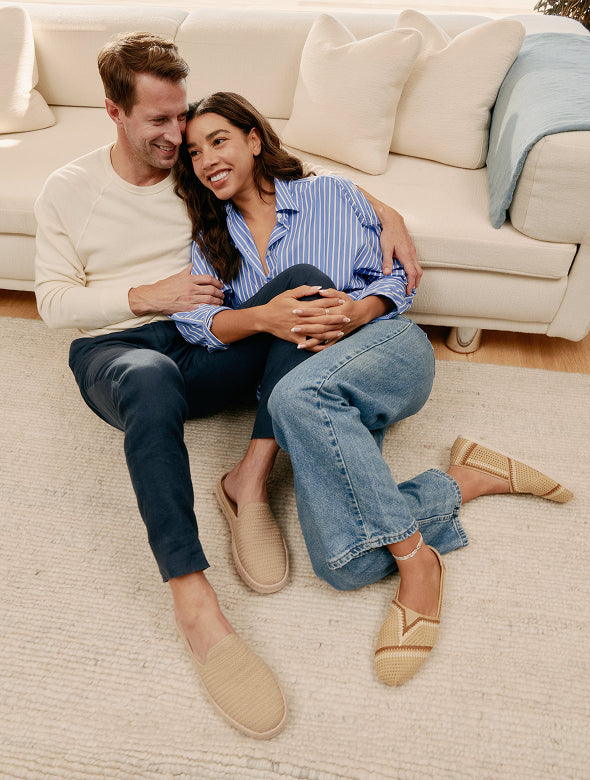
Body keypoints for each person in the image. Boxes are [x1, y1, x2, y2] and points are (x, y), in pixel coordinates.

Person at [33, 33, 423, 740]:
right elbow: (51, 303)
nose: (177, 135)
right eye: (159, 121)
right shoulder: (69, 189)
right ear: (114, 114)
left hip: (204, 346)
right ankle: (194, 603)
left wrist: (388, 215)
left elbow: (292, 184)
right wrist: (149, 294)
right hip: (118, 349)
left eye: (181, 117)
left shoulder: (193, 178)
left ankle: (249, 478)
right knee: (150, 379)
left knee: (299, 282)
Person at [171, 91, 575, 690]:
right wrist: (262, 319)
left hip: (386, 351)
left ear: (253, 139)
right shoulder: (210, 243)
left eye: (218, 140)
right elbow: (197, 326)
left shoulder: (329, 197)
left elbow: (398, 277)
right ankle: (467, 478)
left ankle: (419, 569)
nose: (207, 158)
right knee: (347, 564)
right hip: (313, 394)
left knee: (289, 399)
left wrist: (359, 312)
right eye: (194, 151)